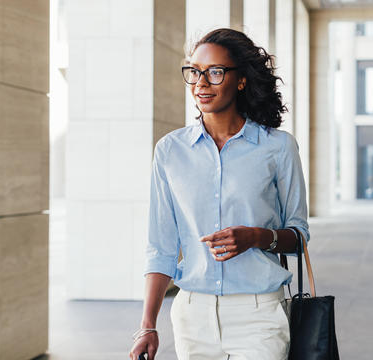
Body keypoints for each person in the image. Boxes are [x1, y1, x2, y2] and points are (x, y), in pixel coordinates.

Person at [129, 28, 309, 360]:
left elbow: (299, 237)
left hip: (258, 316)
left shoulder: (279, 148)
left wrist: (257, 237)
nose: (201, 83)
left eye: (214, 72)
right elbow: (161, 247)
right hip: (192, 317)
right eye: (194, 72)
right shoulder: (170, 150)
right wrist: (147, 325)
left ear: (240, 80)